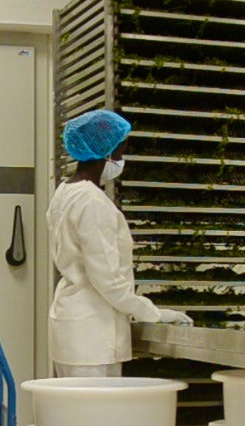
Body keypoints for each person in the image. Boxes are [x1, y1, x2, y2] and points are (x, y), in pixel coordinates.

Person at [48, 109, 193, 378]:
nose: (120, 159)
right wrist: (153, 313)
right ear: (105, 152)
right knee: (96, 407)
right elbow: (108, 280)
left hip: (72, 325)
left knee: (74, 405)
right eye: (120, 152)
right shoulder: (92, 202)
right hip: (92, 334)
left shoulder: (65, 192)